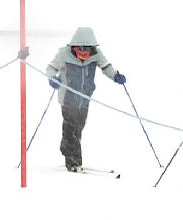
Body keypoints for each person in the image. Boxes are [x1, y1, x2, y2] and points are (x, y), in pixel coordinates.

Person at [46, 27, 125, 172]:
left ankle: (66, 149)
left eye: (86, 53)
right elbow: (50, 68)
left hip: (85, 99)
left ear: (92, 50)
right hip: (68, 99)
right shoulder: (64, 54)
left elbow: (106, 67)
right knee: (72, 129)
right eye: (79, 53)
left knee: (78, 129)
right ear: (74, 48)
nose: (83, 56)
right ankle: (74, 162)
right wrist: (52, 79)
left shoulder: (97, 55)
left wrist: (115, 76)